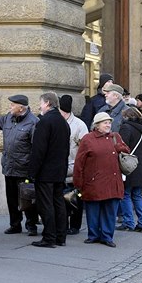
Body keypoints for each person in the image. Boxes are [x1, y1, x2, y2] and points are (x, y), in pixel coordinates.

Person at [73, 112, 129, 247]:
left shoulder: (115, 137)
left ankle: (107, 236)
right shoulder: (88, 139)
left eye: (109, 122)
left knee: (110, 210)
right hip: (93, 182)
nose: (108, 125)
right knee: (93, 210)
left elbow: (127, 150)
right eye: (105, 122)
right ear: (97, 125)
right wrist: (78, 182)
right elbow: (79, 162)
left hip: (112, 181)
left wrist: (119, 147)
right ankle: (93, 235)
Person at [0, 95, 40, 235]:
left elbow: (36, 148)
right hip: (9, 167)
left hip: (24, 168)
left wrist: (33, 169)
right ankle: (15, 224)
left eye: (12, 105)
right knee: (11, 199)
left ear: (21, 107)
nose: (10, 107)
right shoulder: (8, 118)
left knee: (27, 198)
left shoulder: (33, 122)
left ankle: (31, 225)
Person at [28, 92, 70, 248]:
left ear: (47, 103)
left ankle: (49, 237)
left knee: (46, 205)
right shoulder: (63, 122)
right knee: (58, 203)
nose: (39, 106)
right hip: (59, 170)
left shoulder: (45, 121)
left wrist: (32, 172)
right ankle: (60, 236)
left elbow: (38, 150)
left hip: (46, 171)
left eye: (41, 103)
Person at [116, 107, 142, 233]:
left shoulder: (126, 127)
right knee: (137, 195)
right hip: (140, 164)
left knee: (125, 194)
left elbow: (123, 147)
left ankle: (128, 222)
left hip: (129, 165)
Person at [59, 95, 88, 235]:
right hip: (60, 168)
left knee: (75, 198)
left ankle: (75, 226)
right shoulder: (57, 122)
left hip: (74, 167)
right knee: (61, 199)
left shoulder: (79, 125)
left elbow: (85, 147)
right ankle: (63, 225)